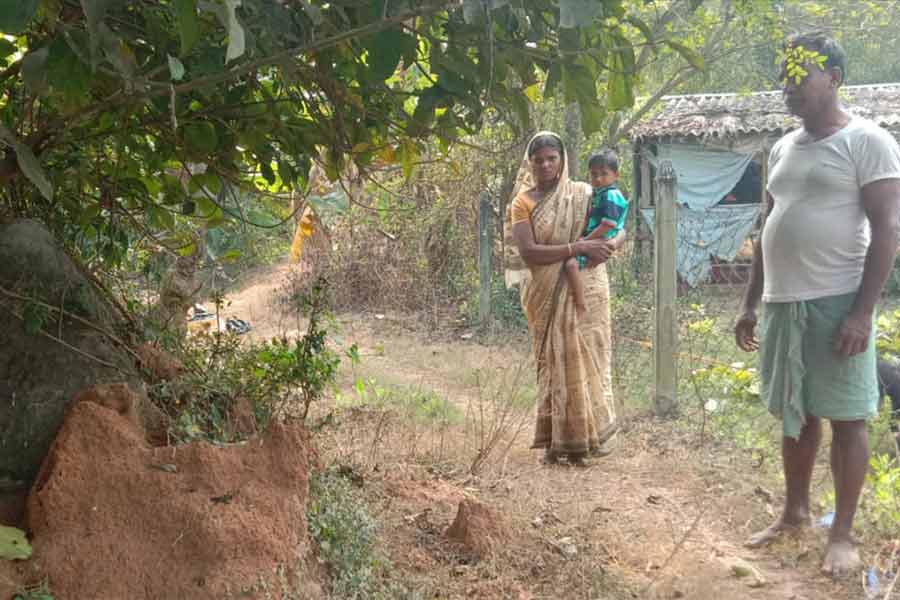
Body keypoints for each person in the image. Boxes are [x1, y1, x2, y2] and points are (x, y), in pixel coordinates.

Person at [734, 32, 900, 576]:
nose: (788, 87)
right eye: (783, 76)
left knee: (850, 418)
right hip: (784, 303)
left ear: (833, 78)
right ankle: (794, 513)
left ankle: (844, 535)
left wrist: (861, 313)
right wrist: (750, 302)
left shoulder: (868, 141)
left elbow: (888, 231)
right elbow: (768, 226)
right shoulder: (782, 146)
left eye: (799, 75)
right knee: (795, 414)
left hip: (837, 301)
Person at [507, 132, 626, 466]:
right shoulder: (523, 202)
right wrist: (577, 247)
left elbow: (619, 227)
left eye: (552, 158)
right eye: (539, 159)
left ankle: (587, 440)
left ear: (563, 159)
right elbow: (529, 252)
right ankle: (555, 442)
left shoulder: (585, 193)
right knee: (553, 364)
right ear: (530, 163)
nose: (545, 165)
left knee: (591, 358)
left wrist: (609, 246)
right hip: (545, 291)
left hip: (588, 287)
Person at [564, 149, 629, 316]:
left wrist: (585, 241)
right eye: (594, 174)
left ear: (616, 175)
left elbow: (608, 224)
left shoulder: (611, 195)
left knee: (571, 265)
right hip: (598, 240)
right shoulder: (599, 194)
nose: (598, 179)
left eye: (604, 174)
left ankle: (580, 303)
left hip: (601, 239)